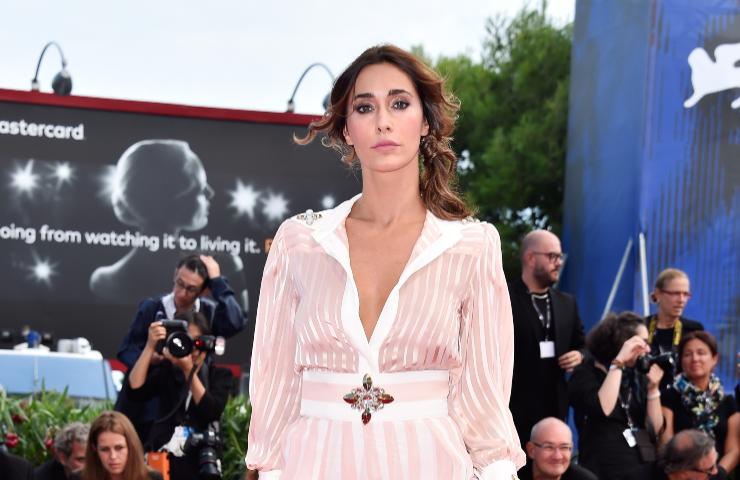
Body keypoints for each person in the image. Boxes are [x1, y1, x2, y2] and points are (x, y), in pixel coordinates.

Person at [245, 44, 525, 479]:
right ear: (346, 129)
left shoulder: (470, 245)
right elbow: (274, 382)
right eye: (364, 107)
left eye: (399, 103)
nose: (383, 121)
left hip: (429, 463)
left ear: (426, 121)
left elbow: (483, 396)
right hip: (315, 463)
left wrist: (497, 470)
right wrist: (270, 472)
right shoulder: (300, 242)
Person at [115, 253, 244, 442]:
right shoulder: (152, 308)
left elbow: (235, 322)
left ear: (204, 291)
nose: (182, 293)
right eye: (179, 284)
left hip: (190, 402)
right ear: (175, 274)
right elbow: (126, 351)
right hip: (148, 402)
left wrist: (217, 280)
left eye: (191, 289)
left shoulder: (208, 313)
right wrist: (150, 357)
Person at [124, 310, 232, 480]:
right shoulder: (167, 371)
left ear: (205, 342)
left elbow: (211, 411)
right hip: (165, 463)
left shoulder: (219, 376)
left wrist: (188, 369)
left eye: (195, 341)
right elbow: (135, 391)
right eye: (185, 340)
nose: (190, 348)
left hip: (200, 464)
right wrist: (150, 347)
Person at [509, 230, 586, 448]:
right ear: (531, 258)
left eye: (560, 257)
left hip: (555, 407)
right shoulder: (505, 299)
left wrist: (579, 355)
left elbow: (583, 345)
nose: (558, 263)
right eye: (552, 256)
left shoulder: (567, 303)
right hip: (514, 409)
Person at [568, 311, 665, 480]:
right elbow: (603, 408)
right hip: (604, 467)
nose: (648, 349)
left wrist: (653, 389)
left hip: (641, 466)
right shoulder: (586, 373)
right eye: (642, 343)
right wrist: (619, 362)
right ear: (622, 343)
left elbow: (655, 429)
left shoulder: (636, 376)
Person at [660, 331, 738, 478]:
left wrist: (716, 474)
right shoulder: (669, 397)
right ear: (681, 360)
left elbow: (733, 450)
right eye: (688, 354)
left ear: (715, 359)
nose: (695, 359)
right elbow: (666, 443)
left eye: (701, 353)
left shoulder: (728, 401)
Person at [646, 268, 704, 392]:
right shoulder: (641, 327)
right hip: (644, 396)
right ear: (658, 294)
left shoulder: (693, 330)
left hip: (680, 399)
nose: (681, 300)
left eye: (686, 294)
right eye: (676, 293)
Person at [79, 411, 162, 480]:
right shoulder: (79, 478)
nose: (113, 456)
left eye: (119, 448)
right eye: (105, 449)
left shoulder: (151, 478)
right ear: (94, 449)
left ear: (131, 447)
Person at [518, 417, 596, 480]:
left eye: (564, 447)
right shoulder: (513, 475)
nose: (557, 456)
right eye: (549, 447)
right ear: (531, 450)